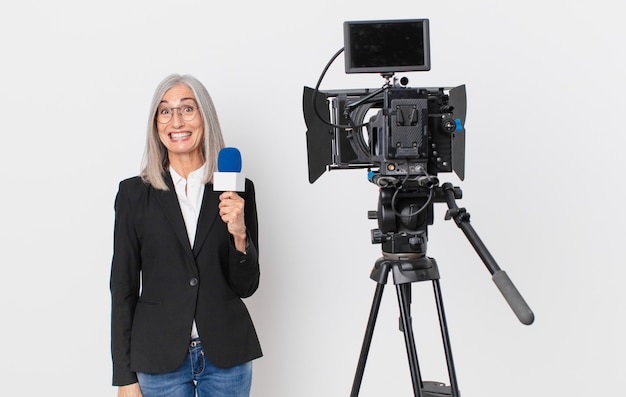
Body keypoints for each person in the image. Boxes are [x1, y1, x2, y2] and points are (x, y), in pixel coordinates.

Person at [110, 74, 262, 397]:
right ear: (156, 125)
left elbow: (247, 286)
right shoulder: (134, 195)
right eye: (165, 111)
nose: (176, 120)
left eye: (187, 109)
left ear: (205, 118)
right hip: (157, 358)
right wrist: (124, 376)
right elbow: (122, 288)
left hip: (226, 355)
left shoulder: (236, 188)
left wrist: (239, 235)